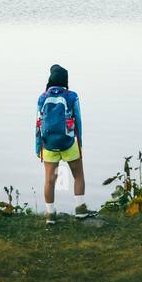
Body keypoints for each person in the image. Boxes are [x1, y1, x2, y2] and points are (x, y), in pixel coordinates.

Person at [35, 63, 87, 225]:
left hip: (48, 144)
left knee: (50, 180)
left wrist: (38, 148)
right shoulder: (72, 96)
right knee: (78, 175)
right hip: (69, 142)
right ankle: (80, 210)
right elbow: (78, 120)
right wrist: (80, 145)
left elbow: (38, 124)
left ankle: (50, 215)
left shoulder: (42, 97)